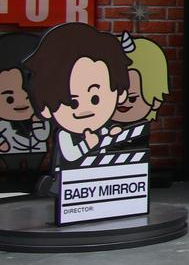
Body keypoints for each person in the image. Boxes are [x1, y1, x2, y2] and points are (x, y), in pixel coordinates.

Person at [25, 22, 130, 169]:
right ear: (46, 108)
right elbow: (70, 155)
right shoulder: (65, 135)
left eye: (95, 99)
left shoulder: (101, 128)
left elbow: (109, 143)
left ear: (120, 93)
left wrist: (114, 135)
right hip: (67, 177)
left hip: (97, 175)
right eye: (73, 103)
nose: (84, 109)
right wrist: (86, 145)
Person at [99, 32, 169, 156]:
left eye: (132, 98)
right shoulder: (99, 126)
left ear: (155, 101)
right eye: (115, 95)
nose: (122, 101)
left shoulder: (140, 128)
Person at [0, 32, 44, 166]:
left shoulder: (41, 121)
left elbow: (42, 136)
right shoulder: (3, 126)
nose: (20, 103)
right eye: (9, 99)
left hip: (38, 152)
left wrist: (37, 123)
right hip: (11, 155)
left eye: (28, 96)